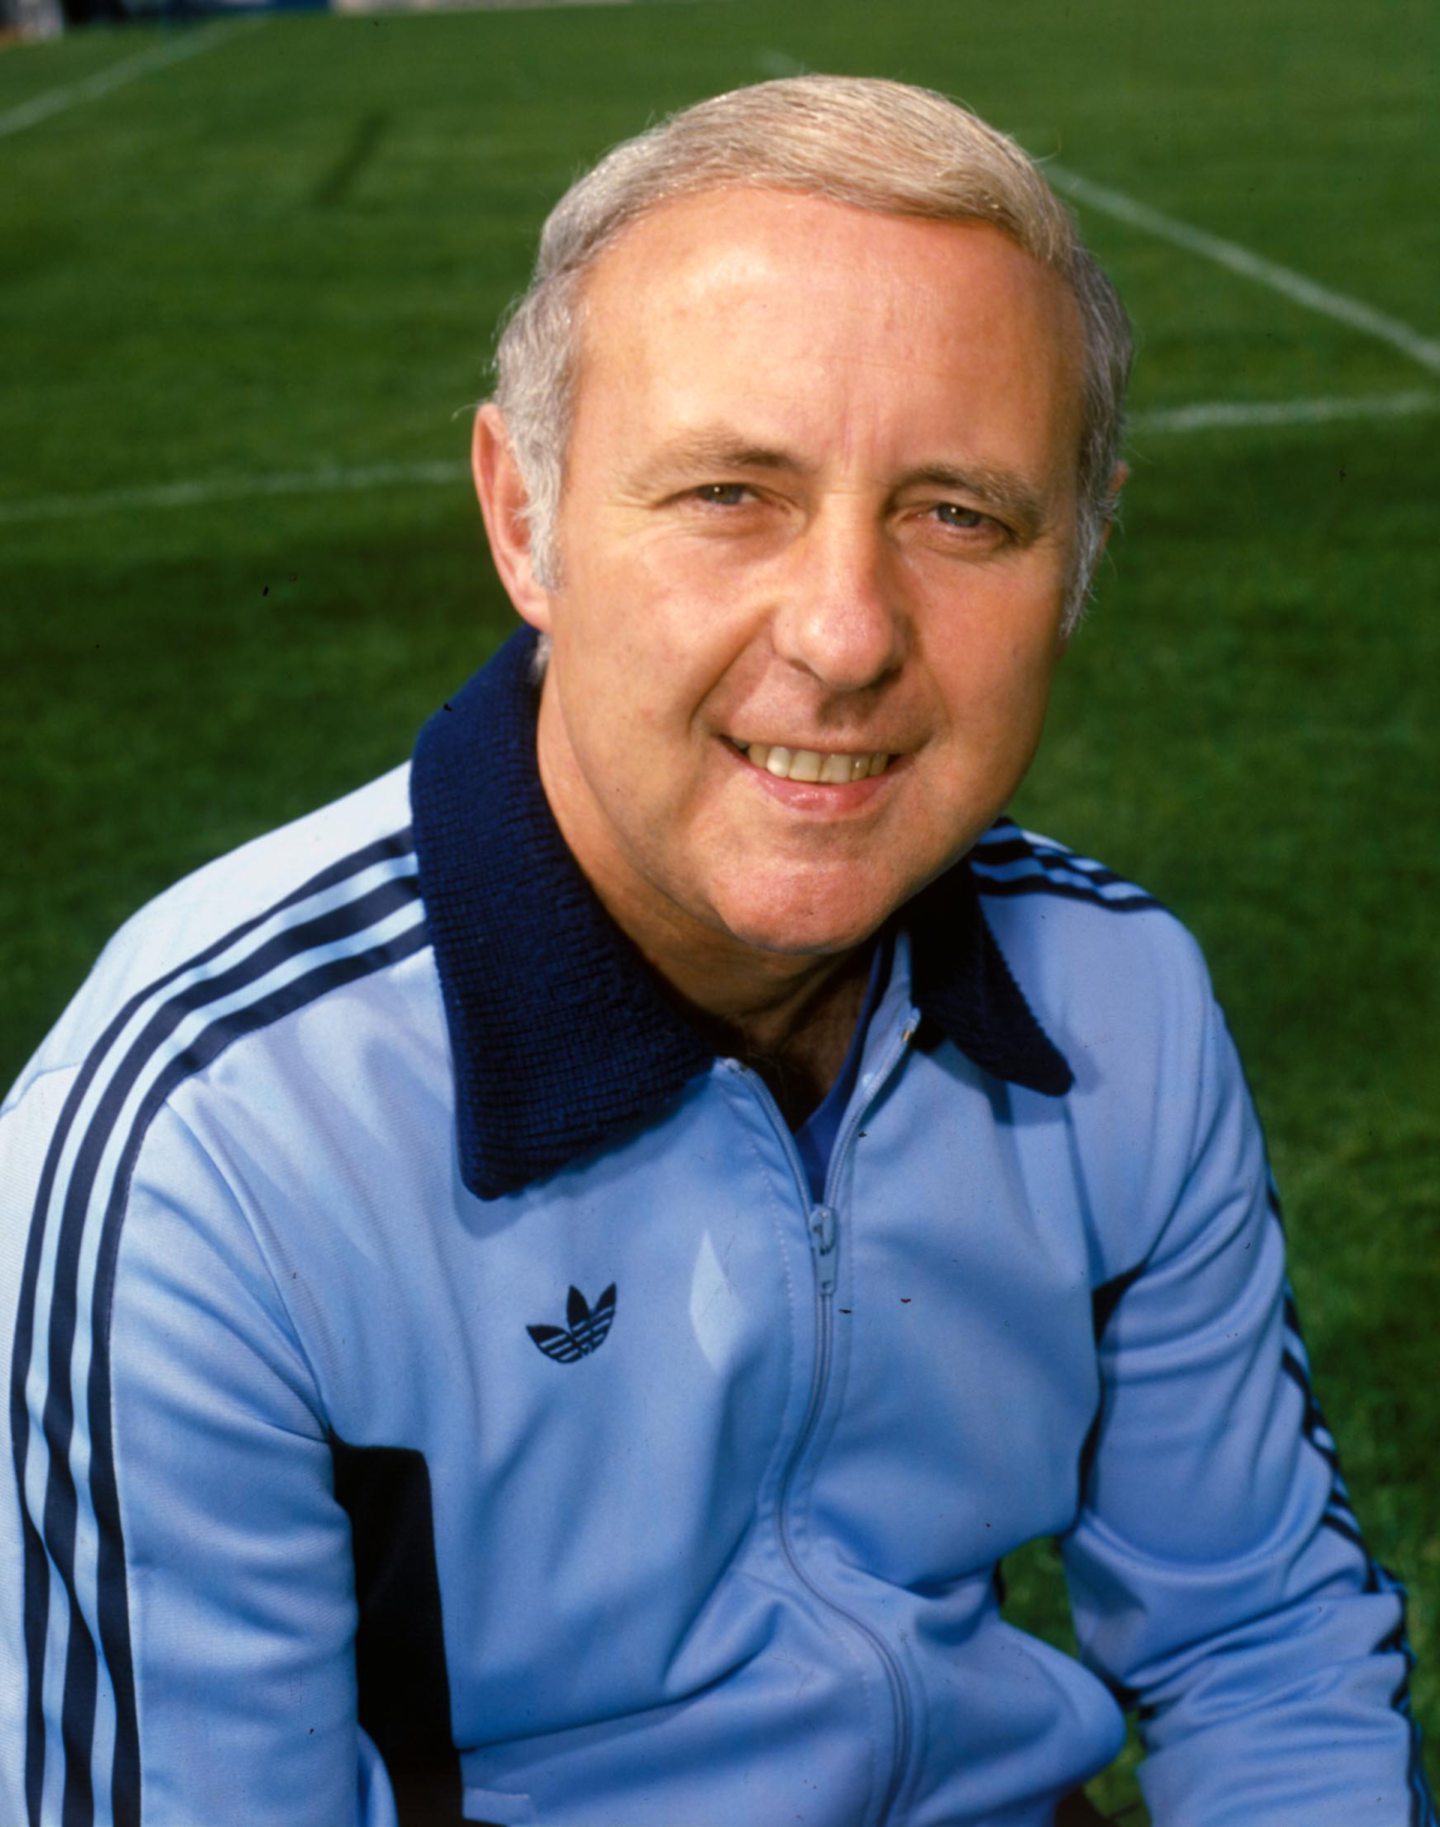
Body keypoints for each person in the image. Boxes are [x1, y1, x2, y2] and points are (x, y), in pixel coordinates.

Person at [0, 74, 1430, 1827]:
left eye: (959, 515)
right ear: (523, 517)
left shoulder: (1121, 1000)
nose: (843, 634)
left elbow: (1261, 1651)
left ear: (1081, 558)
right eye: (731, 492)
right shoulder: (204, 1150)